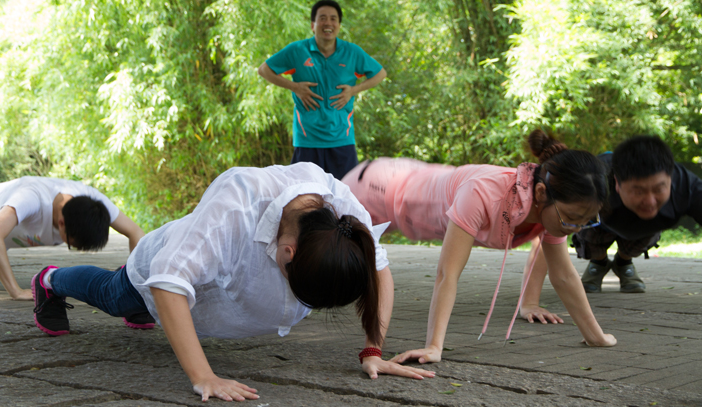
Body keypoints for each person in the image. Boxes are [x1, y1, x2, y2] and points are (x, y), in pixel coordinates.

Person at [31, 163, 434, 402]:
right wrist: (203, 377)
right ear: (289, 252)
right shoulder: (237, 203)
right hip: (158, 271)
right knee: (114, 295)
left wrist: (373, 349)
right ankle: (50, 280)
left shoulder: (341, 212)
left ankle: (148, 315)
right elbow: (168, 283)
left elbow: (379, 270)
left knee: (151, 312)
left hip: (208, 295)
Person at [341, 130, 617, 366]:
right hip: (375, 187)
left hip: (407, 186)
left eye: (586, 221)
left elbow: (564, 275)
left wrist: (596, 336)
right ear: (541, 193)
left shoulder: (550, 212)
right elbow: (447, 273)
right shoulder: (483, 193)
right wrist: (434, 346)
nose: (576, 229)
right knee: (331, 259)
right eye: (572, 218)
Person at [0, 176, 145, 302]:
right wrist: (16, 291)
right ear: (62, 223)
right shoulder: (31, 198)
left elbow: (136, 232)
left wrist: (135, 284)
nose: (69, 245)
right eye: (71, 244)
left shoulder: (93, 203)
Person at [257, 0, 387, 180]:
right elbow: (264, 70)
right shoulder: (298, 50)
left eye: (333, 19)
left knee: (345, 194)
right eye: (322, 18)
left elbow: (380, 73)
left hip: (342, 139)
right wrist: (295, 87)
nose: (328, 23)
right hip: (307, 140)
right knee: (306, 196)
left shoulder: (352, 52)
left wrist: (353, 90)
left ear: (339, 25)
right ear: (313, 25)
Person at [572, 136, 702, 293]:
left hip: (644, 230)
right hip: (599, 224)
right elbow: (553, 221)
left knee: (646, 232)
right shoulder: (592, 177)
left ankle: (623, 262)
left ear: (670, 179)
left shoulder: (688, 187)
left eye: (658, 189)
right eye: (638, 191)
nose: (650, 201)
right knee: (582, 225)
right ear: (617, 183)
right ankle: (599, 262)